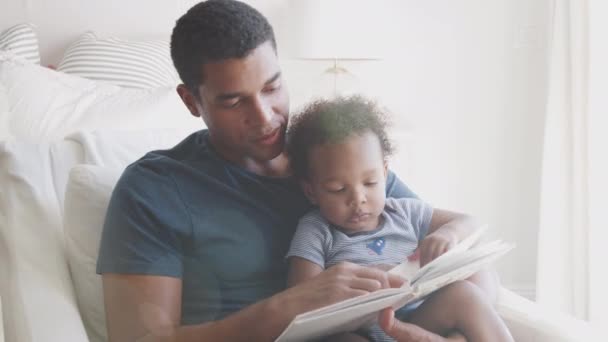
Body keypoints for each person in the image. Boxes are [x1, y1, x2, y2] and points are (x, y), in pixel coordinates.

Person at [96, 0, 501, 341]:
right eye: (234, 102)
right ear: (191, 101)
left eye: (272, 87)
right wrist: (289, 305)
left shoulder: (333, 157)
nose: (265, 117)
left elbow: (462, 258)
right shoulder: (154, 189)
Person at [285, 96, 514, 342]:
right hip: (361, 333)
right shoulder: (315, 230)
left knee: (464, 294)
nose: (358, 198)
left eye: (370, 183)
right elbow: (301, 298)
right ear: (311, 191)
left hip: (420, 323)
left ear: (384, 173)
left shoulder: (405, 213)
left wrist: (448, 234)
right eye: (338, 189)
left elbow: (471, 224)